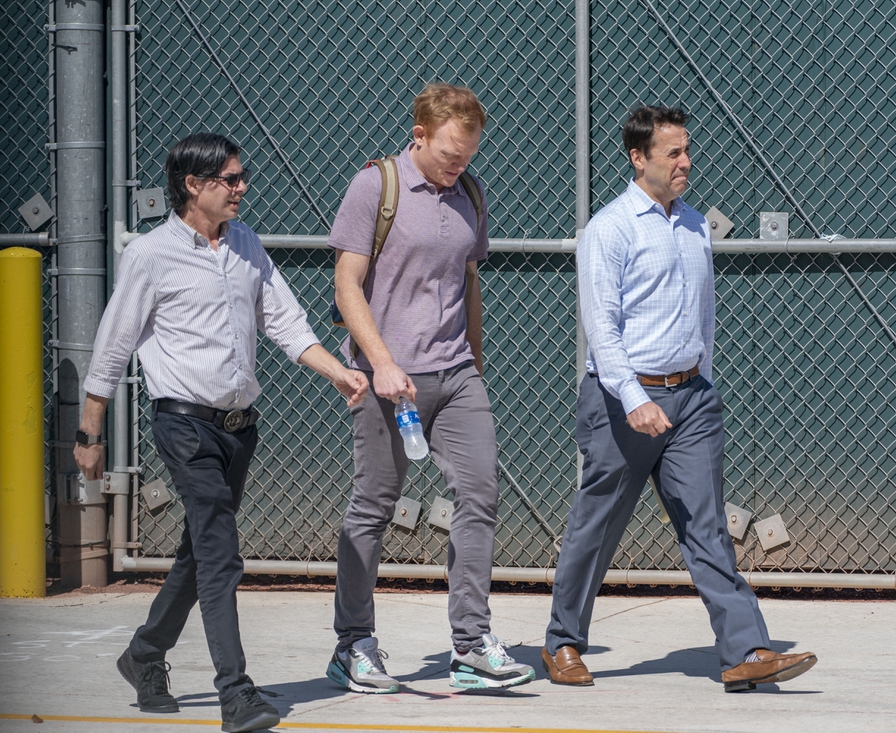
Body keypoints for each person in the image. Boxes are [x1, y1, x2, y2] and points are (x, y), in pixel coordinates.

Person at [73, 132, 369, 733]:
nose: (241, 188)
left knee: (200, 552)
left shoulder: (246, 245)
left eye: (242, 177)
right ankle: (236, 692)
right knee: (220, 553)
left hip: (240, 430)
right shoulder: (151, 255)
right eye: (229, 179)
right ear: (193, 185)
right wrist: (90, 431)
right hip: (183, 424)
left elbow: (285, 322)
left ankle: (144, 654)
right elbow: (113, 344)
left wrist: (338, 371)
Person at [543, 106, 818, 693]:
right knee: (597, 527)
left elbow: (703, 315)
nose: (686, 162)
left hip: (691, 401)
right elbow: (601, 327)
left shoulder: (694, 224)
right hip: (623, 404)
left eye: (687, 150)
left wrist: (701, 381)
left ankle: (747, 650)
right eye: (673, 152)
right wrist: (634, 397)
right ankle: (563, 643)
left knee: (707, 526)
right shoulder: (609, 229)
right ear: (638, 158)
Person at [326, 83, 534, 693]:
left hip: (455, 373)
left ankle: (470, 648)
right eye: (449, 152)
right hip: (387, 378)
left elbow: (467, 278)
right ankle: (353, 645)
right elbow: (348, 285)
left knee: (480, 496)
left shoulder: (469, 192)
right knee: (373, 507)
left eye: (468, 154)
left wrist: (472, 354)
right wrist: (382, 362)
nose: (457, 164)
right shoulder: (376, 188)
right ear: (419, 134)